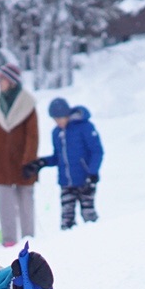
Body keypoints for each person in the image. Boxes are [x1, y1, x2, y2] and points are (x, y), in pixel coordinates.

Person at [0, 61, 40, 247]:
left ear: (12, 81)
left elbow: (33, 136)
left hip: (23, 161)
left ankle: (28, 238)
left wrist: (28, 160)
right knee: (4, 203)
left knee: (25, 202)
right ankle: (8, 241)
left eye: (2, 79)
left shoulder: (27, 104)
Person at [24, 98, 104, 230]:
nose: (59, 122)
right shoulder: (56, 133)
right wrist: (42, 162)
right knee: (67, 219)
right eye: (55, 119)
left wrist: (92, 172)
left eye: (61, 118)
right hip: (66, 183)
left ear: (68, 114)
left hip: (86, 179)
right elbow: (58, 157)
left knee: (88, 215)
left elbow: (97, 151)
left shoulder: (85, 127)